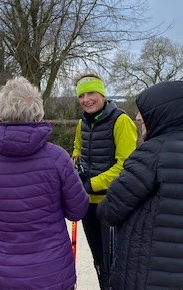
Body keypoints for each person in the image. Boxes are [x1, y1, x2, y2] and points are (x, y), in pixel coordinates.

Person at [0, 77, 89, 290]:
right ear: (38, 113)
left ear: (0, 115)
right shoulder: (57, 157)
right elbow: (77, 210)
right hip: (52, 272)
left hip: (3, 273)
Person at [96, 80, 183, 290]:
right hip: (180, 273)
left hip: (144, 273)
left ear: (161, 113)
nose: (138, 118)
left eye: (143, 112)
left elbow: (110, 210)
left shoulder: (151, 154)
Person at [72, 74, 137, 290]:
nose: (86, 99)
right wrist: (75, 168)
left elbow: (126, 165)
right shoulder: (82, 123)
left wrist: (91, 184)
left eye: (91, 93)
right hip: (87, 204)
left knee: (114, 264)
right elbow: (77, 151)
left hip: (112, 203)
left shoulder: (121, 121)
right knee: (99, 260)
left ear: (102, 94)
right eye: (81, 95)